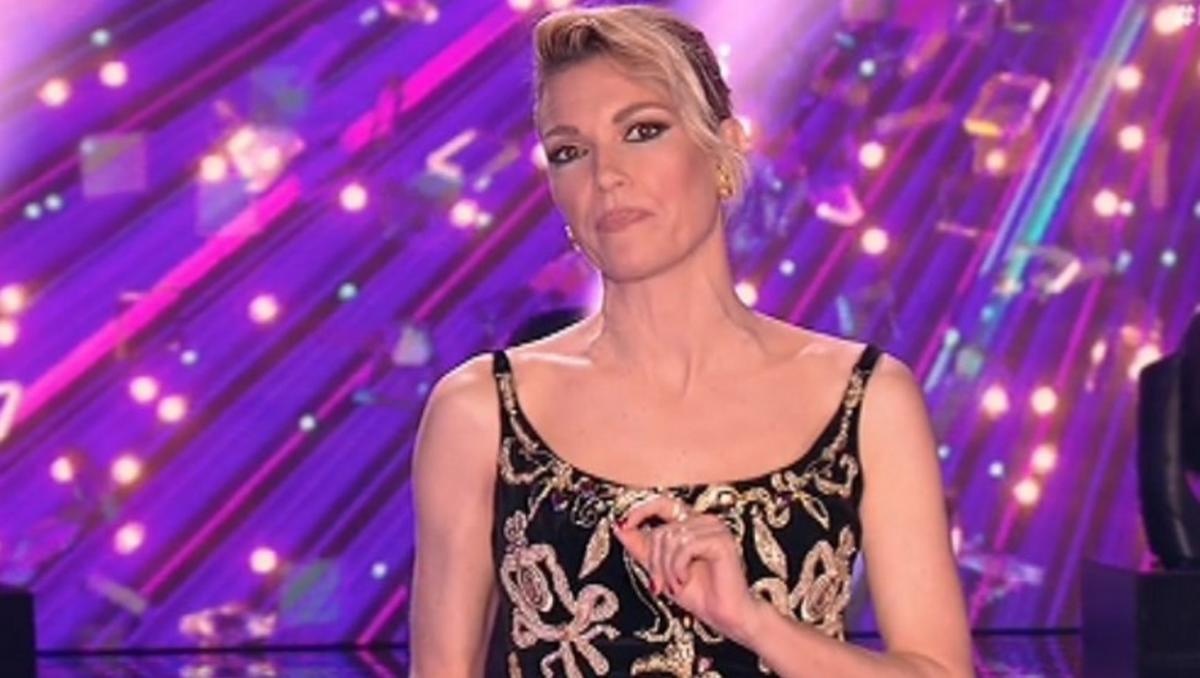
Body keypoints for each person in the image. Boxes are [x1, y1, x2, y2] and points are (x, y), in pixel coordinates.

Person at [408, 5, 973, 676]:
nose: (605, 174)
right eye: (569, 151)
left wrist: (754, 622)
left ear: (724, 150)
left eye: (642, 131)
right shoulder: (481, 411)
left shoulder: (867, 398)